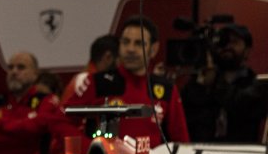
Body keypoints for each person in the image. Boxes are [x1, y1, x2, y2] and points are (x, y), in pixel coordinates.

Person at [62, 16, 189, 147]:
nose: (130, 49)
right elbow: (60, 120)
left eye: (139, 43)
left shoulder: (166, 89)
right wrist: (88, 148)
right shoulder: (97, 82)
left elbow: (181, 141)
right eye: (126, 42)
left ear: (153, 49)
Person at [0, 52, 75, 154]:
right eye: (10, 67)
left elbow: (38, 126)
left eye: (21, 67)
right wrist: (23, 135)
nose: (14, 72)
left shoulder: (47, 101)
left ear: (35, 74)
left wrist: (0, 126)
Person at [181, 24, 266, 142]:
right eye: (223, 42)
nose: (227, 46)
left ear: (247, 50)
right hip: (201, 149)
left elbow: (240, 106)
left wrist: (216, 82)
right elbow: (186, 116)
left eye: (234, 42)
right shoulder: (202, 81)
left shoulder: (256, 85)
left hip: (241, 150)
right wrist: (200, 85)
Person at [66, 34, 119, 100]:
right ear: (108, 57)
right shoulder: (88, 82)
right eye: (120, 58)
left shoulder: (87, 79)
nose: (121, 65)